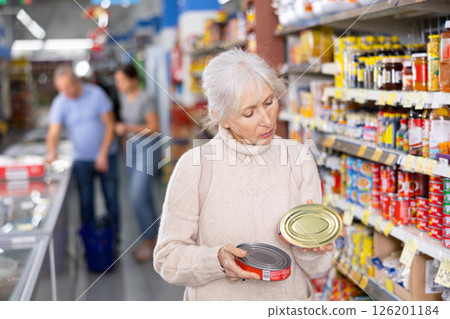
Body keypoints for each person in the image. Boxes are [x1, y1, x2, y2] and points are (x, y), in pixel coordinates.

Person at [153, 49, 335, 301]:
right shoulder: (196, 166)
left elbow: (319, 267)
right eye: (249, 113)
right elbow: (167, 258)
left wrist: (311, 247)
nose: (266, 121)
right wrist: (216, 260)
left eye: (269, 102)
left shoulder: (298, 158)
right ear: (221, 117)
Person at [46, 66, 119, 235]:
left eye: (68, 87)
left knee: (111, 200)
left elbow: (110, 125)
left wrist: (102, 153)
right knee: (85, 203)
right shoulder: (60, 102)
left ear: (78, 81)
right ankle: (90, 242)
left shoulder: (96, 94)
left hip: (107, 156)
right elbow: (53, 132)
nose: (66, 92)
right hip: (81, 160)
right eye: (61, 89)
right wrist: (52, 151)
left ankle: (114, 240)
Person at [114, 64, 161, 263]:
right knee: (146, 197)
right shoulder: (124, 98)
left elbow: (154, 127)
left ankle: (148, 241)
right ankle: (156, 240)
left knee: (136, 196)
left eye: (123, 81)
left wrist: (127, 128)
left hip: (148, 148)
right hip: (133, 148)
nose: (119, 85)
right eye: (117, 82)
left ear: (134, 80)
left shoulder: (146, 98)